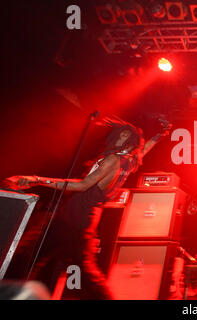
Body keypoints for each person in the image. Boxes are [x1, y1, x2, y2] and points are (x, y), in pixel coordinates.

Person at [6, 118, 171, 299]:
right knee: (29, 257)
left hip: (77, 221)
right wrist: (159, 135)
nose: (120, 137)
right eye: (121, 133)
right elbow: (144, 149)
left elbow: (82, 185)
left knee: (82, 275)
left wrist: (36, 179)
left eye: (126, 135)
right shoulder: (130, 160)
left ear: (130, 141)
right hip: (75, 218)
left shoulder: (113, 159)